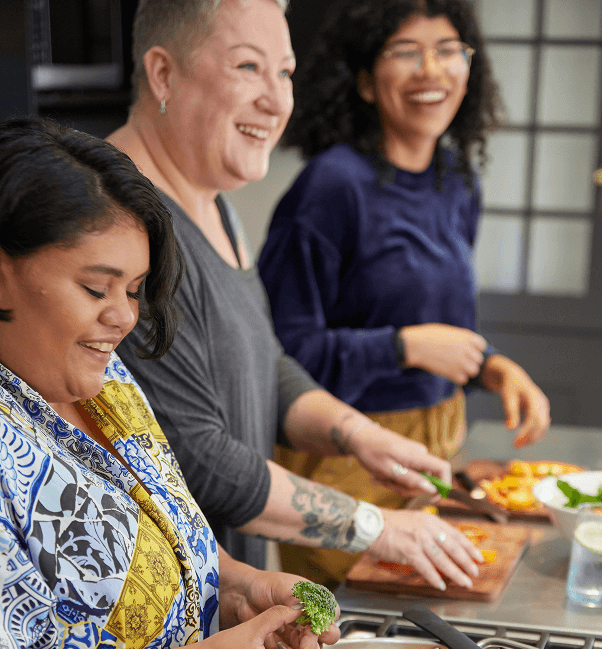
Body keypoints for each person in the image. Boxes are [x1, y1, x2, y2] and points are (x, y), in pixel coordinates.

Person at [0, 116, 337, 649]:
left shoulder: (108, 380)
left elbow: (158, 538)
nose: (123, 317)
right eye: (96, 289)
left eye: (133, 289)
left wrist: (237, 585)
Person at [110, 0, 485, 595]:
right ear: (163, 74)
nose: (278, 99)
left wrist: (356, 434)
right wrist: (374, 525)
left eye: (284, 73)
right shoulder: (125, 224)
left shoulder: (214, 203)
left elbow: (266, 360)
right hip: (162, 613)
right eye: (248, 68)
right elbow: (201, 458)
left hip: (229, 595)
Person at [258, 0, 551, 583]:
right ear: (366, 81)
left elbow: (431, 318)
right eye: (405, 52)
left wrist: (491, 367)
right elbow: (278, 356)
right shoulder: (330, 186)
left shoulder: (456, 179)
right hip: (340, 462)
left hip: (439, 446)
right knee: (351, 644)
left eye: (448, 51)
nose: (432, 71)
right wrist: (402, 348)